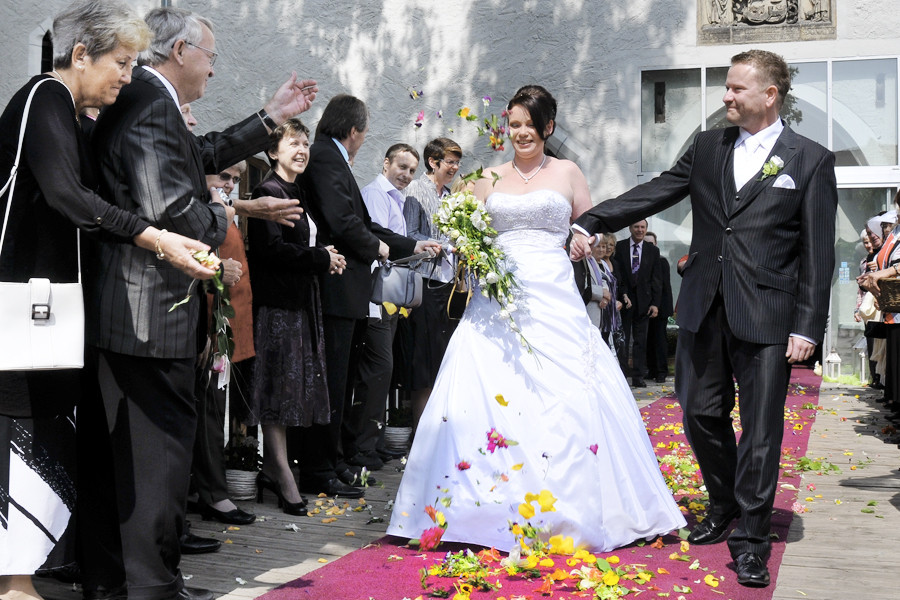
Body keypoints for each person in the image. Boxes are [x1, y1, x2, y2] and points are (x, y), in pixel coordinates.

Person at [570, 49, 838, 587]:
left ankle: (752, 540)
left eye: (738, 89)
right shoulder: (709, 145)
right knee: (697, 413)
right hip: (701, 306)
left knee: (761, 432)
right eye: (726, 87)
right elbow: (660, 189)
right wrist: (592, 219)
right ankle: (724, 502)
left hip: (767, 314)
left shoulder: (809, 158)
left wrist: (808, 325)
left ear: (770, 94)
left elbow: (818, 251)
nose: (726, 97)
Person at [79, 6, 318, 600]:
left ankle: (121, 581)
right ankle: (152, 587)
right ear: (181, 51)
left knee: (134, 458)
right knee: (157, 460)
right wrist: (232, 212)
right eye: (210, 55)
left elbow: (199, 153)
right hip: (148, 312)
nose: (214, 67)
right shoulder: (151, 102)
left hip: (133, 309)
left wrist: (271, 118)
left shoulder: (148, 98)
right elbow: (175, 211)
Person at [387, 85, 686, 552]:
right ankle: (476, 504)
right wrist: (469, 246)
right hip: (496, 300)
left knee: (562, 390)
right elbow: (468, 233)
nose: (520, 133)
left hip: (553, 294)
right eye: (514, 124)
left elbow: (591, 224)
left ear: (547, 127)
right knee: (484, 388)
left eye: (530, 125)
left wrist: (584, 240)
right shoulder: (488, 177)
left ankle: (566, 504)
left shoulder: (568, 172)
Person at [0, 2, 216, 599]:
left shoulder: (72, 112)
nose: (129, 74)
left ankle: (32, 579)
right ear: (79, 56)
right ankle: (16, 585)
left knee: (50, 435)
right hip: (23, 301)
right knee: (22, 433)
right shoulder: (45, 96)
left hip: (46, 305)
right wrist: (154, 236)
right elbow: (70, 197)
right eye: (121, 62)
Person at [247, 118, 345, 515]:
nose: (302, 149)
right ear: (273, 152)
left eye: (305, 143)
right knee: (277, 391)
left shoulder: (295, 189)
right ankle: (281, 472)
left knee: (290, 393)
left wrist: (328, 254)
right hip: (278, 307)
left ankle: (280, 466)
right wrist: (321, 257)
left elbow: (303, 244)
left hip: (302, 302)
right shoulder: (267, 191)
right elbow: (270, 252)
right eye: (294, 143)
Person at [346, 143, 423, 471]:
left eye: (411, 171)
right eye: (402, 167)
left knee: (383, 372)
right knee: (378, 370)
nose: (406, 175)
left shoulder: (397, 198)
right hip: (376, 298)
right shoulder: (376, 195)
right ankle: (360, 447)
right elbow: (381, 243)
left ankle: (371, 442)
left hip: (390, 299)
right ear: (386, 162)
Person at [402, 138, 462, 432]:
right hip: (423, 282)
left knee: (443, 357)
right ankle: (420, 432)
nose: (454, 167)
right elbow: (409, 233)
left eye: (456, 162)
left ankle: (439, 429)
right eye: (449, 162)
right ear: (433, 162)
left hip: (448, 285)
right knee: (423, 360)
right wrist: (437, 245)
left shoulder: (451, 195)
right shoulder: (416, 190)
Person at [613, 219, 662, 387]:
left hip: (644, 302)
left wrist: (655, 303)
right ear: (630, 228)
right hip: (625, 301)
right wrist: (621, 295)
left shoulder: (652, 251)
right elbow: (617, 275)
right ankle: (622, 375)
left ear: (646, 229)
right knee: (623, 340)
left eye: (642, 227)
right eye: (636, 227)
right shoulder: (619, 247)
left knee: (641, 341)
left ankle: (638, 377)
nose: (639, 230)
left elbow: (656, 279)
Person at [644, 231, 674, 383]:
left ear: (656, 245)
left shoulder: (661, 261)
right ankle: (651, 369)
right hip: (646, 307)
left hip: (660, 308)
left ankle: (661, 371)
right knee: (648, 340)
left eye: (651, 243)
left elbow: (663, 287)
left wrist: (659, 307)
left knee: (659, 340)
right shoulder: (642, 261)